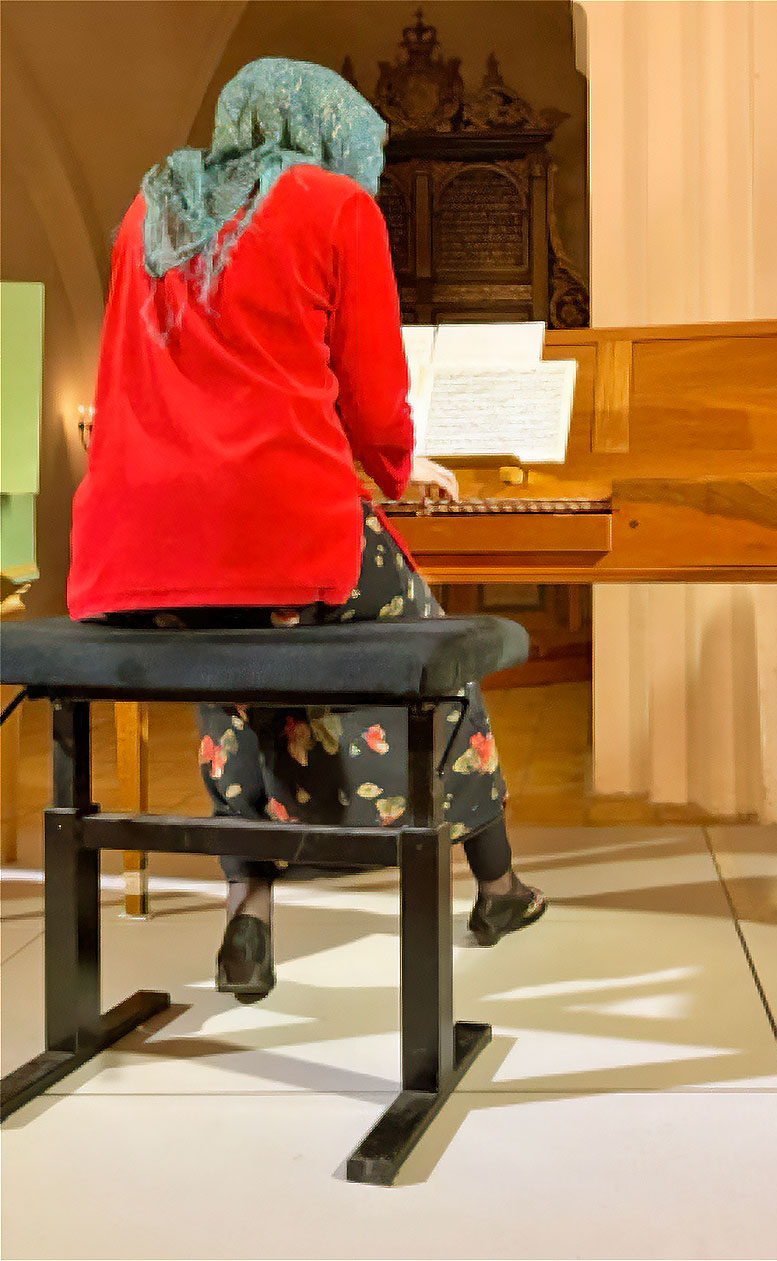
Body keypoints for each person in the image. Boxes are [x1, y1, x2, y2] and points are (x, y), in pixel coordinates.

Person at [67, 57, 546, 1002]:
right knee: (430, 640)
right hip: (281, 534)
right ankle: (498, 887)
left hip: (136, 557)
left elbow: (127, 375)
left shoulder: (148, 209)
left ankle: (248, 917)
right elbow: (372, 394)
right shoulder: (334, 206)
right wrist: (399, 468)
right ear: (328, 130)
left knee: (232, 664)